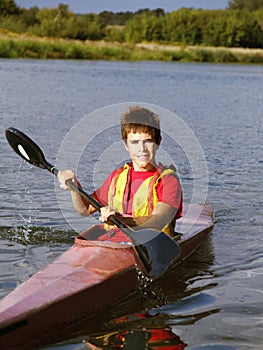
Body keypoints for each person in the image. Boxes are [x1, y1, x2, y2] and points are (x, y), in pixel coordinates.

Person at [58, 106, 182, 243]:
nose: (141, 148)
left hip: (151, 244)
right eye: (134, 142)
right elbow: (85, 210)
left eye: (147, 141)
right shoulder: (118, 177)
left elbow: (159, 220)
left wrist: (121, 219)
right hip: (112, 243)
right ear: (126, 145)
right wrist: (74, 187)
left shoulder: (168, 180)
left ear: (158, 142)